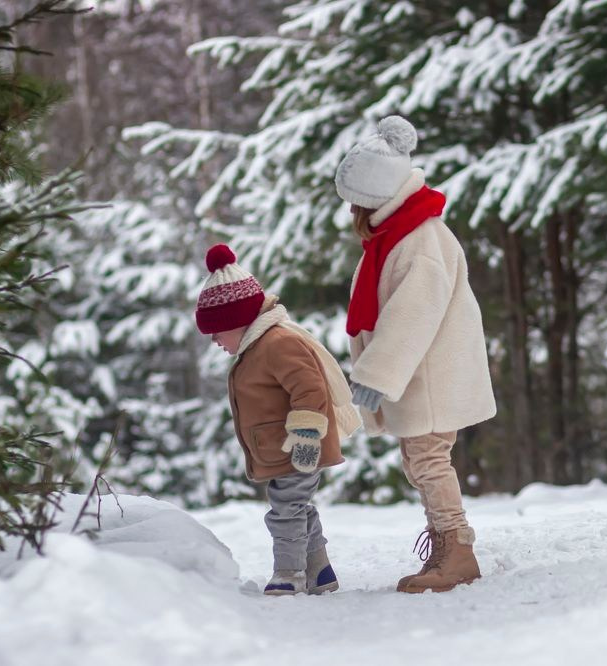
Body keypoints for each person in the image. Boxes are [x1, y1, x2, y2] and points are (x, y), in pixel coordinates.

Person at [334, 115, 497, 593]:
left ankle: (458, 550)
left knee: (428, 459)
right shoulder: (399, 235)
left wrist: (375, 374)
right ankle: (446, 544)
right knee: (419, 460)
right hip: (419, 377)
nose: (353, 213)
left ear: (375, 198)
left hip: (430, 377)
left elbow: (412, 315)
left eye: (356, 203)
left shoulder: (419, 240)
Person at [195, 243, 360, 595]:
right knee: (295, 507)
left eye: (217, 331)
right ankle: (320, 572)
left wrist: (306, 439)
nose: (214, 340)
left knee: (285, 511)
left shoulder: (278, 343)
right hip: (282, 450)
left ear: (236, 321)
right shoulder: (258, 346)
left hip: (299, 448)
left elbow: (310, 389)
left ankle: (289, 574)